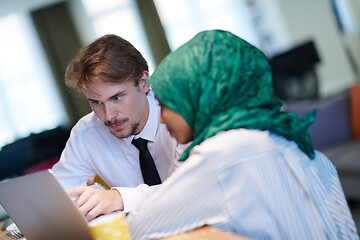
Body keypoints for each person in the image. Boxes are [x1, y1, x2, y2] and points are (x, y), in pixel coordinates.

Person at [127, 30, 359, 239]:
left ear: (200, 97)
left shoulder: (219, 155)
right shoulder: (302, 148)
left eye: (166, 104)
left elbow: (139, 226)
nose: (161, 117)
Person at [51, 34, 184, 221]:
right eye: (96, 102)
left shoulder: (181, 114)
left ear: (143, 82)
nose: (108, 116)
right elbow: (60, 198)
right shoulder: (86, 133)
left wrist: (119, 199)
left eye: (117, 98)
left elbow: (189, 189)